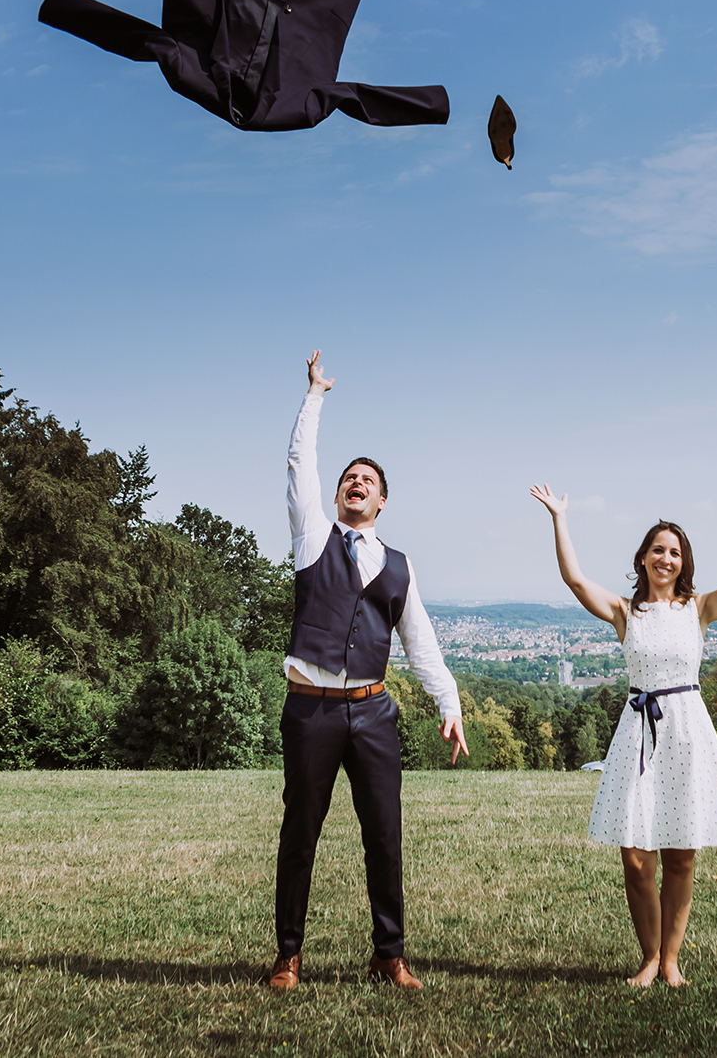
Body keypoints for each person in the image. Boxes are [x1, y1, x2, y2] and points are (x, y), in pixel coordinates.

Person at [528, 483, 717, 988]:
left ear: (684, 562)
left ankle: (670, 961)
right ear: (643, 558)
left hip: (687, 730)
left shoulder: (698, 609)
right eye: (658, 550)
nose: (666, 558)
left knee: (681, 852)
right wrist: (559, 517)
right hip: (639, 732)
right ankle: (649, 957)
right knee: (635, 856)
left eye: (675, 552)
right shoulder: (625, 612)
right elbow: (573, 578)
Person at [268, 352, 468, 992]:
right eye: (349, 477)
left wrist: (449, 704)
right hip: (311, 710)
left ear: (382, 501)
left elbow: (422, 643)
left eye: (368, 480)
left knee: (385, 834)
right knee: (300, 833)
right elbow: (299, 463)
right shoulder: (312, 538)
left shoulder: (402, 567)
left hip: (375, 711)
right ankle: (288, 955)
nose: (356, 483)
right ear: (335, 495)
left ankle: (390, 954)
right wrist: (315, 397)